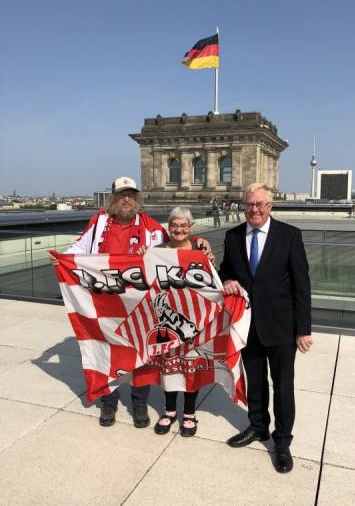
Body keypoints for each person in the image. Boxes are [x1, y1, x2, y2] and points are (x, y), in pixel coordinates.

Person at [52, 176, 211, 429]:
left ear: (137, 199)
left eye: (132, 195)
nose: (127, 199)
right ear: (113, 197)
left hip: (138, 303)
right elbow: (79, 247)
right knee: (106, 351)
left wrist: (200, 244)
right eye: (122, 194)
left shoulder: (150, 226)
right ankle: (109, 402)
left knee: (142, 351)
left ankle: (139, 403)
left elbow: (174, 246)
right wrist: (63, 259)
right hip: (104, 300)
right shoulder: (99, 223)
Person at [219, 182, 313, 473]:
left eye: (260, 204)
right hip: (248, 325)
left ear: (270, 206)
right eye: (250, 204)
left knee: (283, 386)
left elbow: (302, 286)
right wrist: (225, 280)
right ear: (243, 206)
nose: (254, 209)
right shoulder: (233, 236)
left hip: (283, 327)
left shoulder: (289, 236)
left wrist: (303, 329)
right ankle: (258, 426)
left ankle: (282, 441)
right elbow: (225, 269)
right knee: (256, 382)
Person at [139, 207, 211, 438]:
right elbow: (142, 276)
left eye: (183, 226)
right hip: (167, 319)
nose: (178, 230)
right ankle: (169, 410)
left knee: (191, 366)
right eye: (174, 226)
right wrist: (142, 255)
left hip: (194, 318)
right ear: (168, 228)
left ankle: (189, 413)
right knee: (169, 366)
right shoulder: (158, 250)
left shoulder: (200, 250)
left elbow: (211, 282)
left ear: (191, 228)